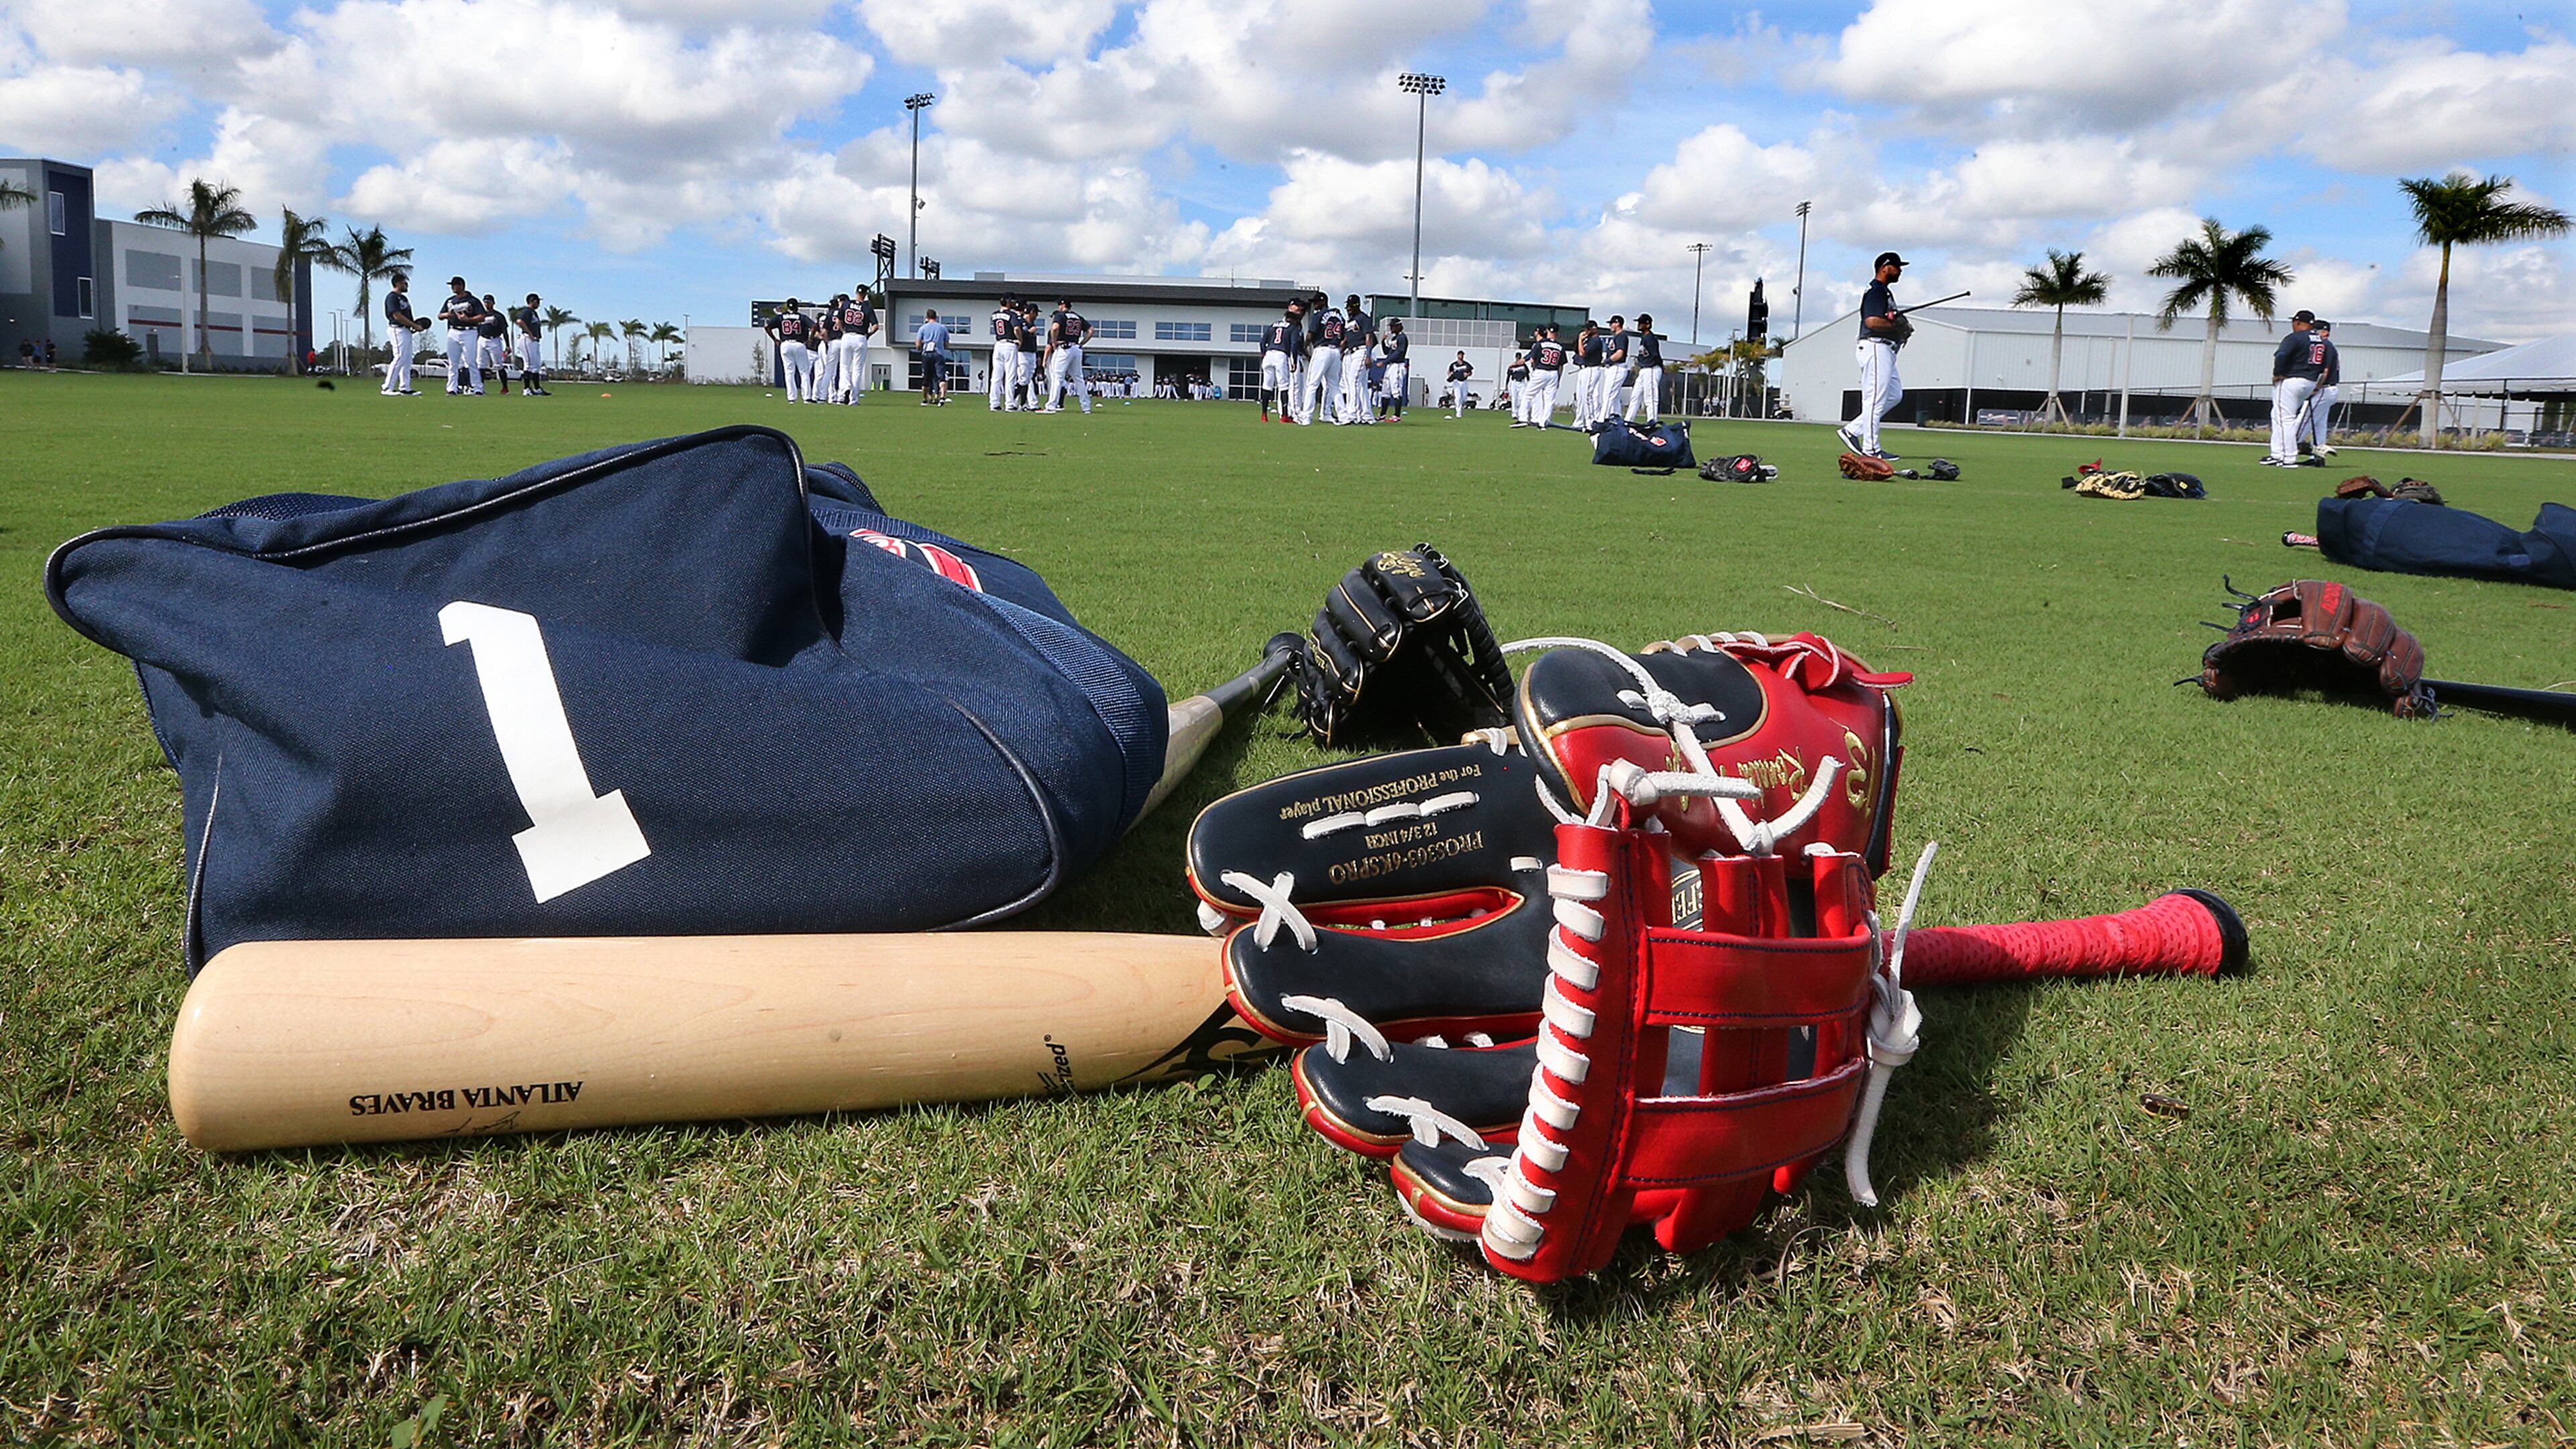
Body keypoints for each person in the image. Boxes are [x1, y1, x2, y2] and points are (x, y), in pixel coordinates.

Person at [1839, 252, 1909, 460]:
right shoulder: (1876, 291)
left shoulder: (1884, 292)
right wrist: (1896, 326)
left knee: (1894, 395)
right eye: (1897, 266)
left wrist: (1899, 327)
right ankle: (1871, 449)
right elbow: (1871, 321)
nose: (1900, 270)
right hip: (1875, 347)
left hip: (1885, 350)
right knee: (1874, 400)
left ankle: (1852, 430)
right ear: (1885, 267)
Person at [2263, 310, 2322, 466]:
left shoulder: (2294, 337)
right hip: (2310, 381)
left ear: (2297, 322)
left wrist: (2278, 374)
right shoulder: (2321, 341)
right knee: (2278, 416)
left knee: (2285, 419)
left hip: (2292, 380)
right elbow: (2324, 366)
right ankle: (2277, 454)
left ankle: (2288, 457)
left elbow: (2281, 355)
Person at [437, 278, 485, 396]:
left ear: (462, 285)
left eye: (455, 285)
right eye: (452, 285)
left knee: (471, 361)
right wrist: (446, 315)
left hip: (469, 331)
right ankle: (452, 388)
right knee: (453, 362)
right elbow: (439, 315)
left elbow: (482, 316)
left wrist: (468, 319)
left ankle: (477, 388)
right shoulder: (450, 301)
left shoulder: (473, 300)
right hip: (453, 331)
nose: (453, 287)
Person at [1300, 293, 1343, 425]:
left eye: (1317, 302)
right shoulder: (1339, 316)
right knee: (1335, 386)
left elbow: (1310, 335)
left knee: (1312, 384)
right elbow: (1343, 336)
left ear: (1324, 301)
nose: (1315, 304)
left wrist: (1305, 347)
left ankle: (1306, 417)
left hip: (1322, 349)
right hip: (1336, 351)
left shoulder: (1318, 315)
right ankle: (1344, 415)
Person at [1257, 301, 1302, 423]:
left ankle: (1264, 415)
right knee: (1283, 387)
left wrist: (1264, 353)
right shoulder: (1293, 328)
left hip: (1269, 355)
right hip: (1281, 356)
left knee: (1267, 386)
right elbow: (1294, 344)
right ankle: (1284, 415)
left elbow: (1262, 342)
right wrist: (1293, 361)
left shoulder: (1273, 325)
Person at [1043, 298, 1089, 414]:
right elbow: (1091, 330)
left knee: (1057, 377)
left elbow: (1055, 328)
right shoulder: (1078, 317)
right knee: (1079, 378)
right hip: (1076, 348)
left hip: (1064, 348)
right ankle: (1086, 407)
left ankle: (1051, 406)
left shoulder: (1060, 315)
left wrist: (1054, 342)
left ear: (1063, 304)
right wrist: (1082, 343)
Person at [2304, 319, 2341, 457]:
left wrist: (2315, 389)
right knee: (2319, 425)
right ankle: (2318, 456)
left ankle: (2290, 450)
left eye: (2316, 331)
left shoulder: (2324, 345)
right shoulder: (2329, 346)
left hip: (2324, 389)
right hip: (2330, 389)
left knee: (2306, 421)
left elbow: (2324, 371)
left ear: (2324, 332)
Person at [1516, 324, 1565, 427]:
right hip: (1553, 373)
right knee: (1549, 400)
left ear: (1547, 331)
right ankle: (1544, 422)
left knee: (1528, 395)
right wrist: (1559, 379)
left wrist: (1534, 366)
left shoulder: (1541, 343)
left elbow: (1533, 359)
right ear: (1558, 333)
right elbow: (1561, 365)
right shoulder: (1560, 346)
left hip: (1541, 371)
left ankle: (1523, 418)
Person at [767, 299, 814, 402]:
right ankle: (807, 397)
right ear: (797, 307)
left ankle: (792, 398)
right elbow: (814, 326)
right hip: (799, 344)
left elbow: (767, 326)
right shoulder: (802, 317)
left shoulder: (781, 317)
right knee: (804, 372)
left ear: (788, 307)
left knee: (789, 372)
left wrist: (775, 339)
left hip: (786, 344)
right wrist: (810, 339)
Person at [381, 272, 418, 396]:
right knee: (399, 357)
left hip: (406, 330)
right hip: (397, 329)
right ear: (397, 283)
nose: (407, 285)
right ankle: (387, 387)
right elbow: (396, 315)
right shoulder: (392, 297)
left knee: (407, 360)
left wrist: (414, 326)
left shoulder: (404, 298)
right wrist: (414, 325)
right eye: (404, 283)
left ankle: (405, 387)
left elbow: (408, 316)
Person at [1625, 313, 1663, 421]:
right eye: (1639, 323)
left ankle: (1652, 421)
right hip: (1644, 370)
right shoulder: (1644, 338)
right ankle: (1628, 421)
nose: (1639, 325)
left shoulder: (1651, 339)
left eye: (1641, 323)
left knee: (1650, 397)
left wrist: (1659, 367)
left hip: (1651, 369)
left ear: (1648, 325)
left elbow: (1656, 355)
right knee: (1635, 396)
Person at [512, 292, 549, 396]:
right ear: (533, 301)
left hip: (534, 341)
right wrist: (530, 333)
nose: (539, 304)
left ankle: (537, 389)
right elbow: (520, 321)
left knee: (536, 365)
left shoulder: (533, 313)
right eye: (537, 301)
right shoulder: (527, 311)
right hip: (527, 340)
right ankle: (526, 389)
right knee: (528, 365)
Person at [987, 294, 1020, 411]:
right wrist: (1020, 339)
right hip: (1009, 344)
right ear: (1008, 301)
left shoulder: (994, 314)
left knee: (996, 376)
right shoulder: (1012, 315)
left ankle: (994, 403)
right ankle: (1009, 404)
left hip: (998, 344)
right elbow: (1016, 328)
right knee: (1010, 376)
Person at [915, 307, 951, 405]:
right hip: (939, 354)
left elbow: (918, 344)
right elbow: (947, 344)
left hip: (927, 354)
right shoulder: (942, 328)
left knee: (926, 378)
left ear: (927, 317)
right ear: (936, 317)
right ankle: (942, 397)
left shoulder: (923, 328)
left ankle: (925, 399)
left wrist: (920, 347)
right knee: (941, 377)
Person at [1379, 318, 1411, 419]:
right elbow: (1387, 352)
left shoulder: (1402, 338)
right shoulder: (1394, 338)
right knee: (1385, 391)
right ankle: (1383, 415)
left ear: (1398, 326)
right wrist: (1383, 342)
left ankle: (1397, 415)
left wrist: (1385, 362)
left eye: (1393, 326)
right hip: (1390, 366)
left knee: (1396, 390)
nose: (1391, 328)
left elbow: (1399, 353)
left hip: (1397, 365)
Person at [811, 300, 843, 403]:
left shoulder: (826, 316)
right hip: (834, 342)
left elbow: (820, 331)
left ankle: (817, 395)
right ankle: (832, 397)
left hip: (825, 343)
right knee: (832, 372)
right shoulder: (840, 313)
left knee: (822, 372)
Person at [1601, 315, 1630, 423]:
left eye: (1612, 323)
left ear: (1617, 323)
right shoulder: (1617, 337)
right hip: (1613, 368)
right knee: (1614, 396)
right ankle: (1616, 418)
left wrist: (1606, 360)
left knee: (1608, 395)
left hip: (1617, 367)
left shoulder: (1621, 336)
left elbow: (1619, 354)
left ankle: (1602, 420)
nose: (1610, 326)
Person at [1446, 352, 1474, 417]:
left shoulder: (1466, 365)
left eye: (1462, 355)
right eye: (1460, 355)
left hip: (1464, 382)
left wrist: (1467, 374)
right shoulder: (1454, 365)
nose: (1461, 356)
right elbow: (1449, 371)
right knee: (1458, 397)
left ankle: (1461, 406)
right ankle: (1459, 413)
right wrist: (1450, 375)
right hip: (1456, 381)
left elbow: (1471, 372)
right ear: (1458, 356)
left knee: (1464, 397)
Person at [1503, 350, 1529, 419]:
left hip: (1522, 382)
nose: (1518, 359)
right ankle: (1514, 413)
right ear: (1515, 358)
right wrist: (1506, 386)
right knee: (1514, 398)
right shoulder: (1512, 366)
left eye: (1519, 357)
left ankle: (1521, 413)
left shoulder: (1524, 366)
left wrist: (1529, 384)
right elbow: (1508, 376)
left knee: (1521, 398)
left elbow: (1527, 375)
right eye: (1517, 357)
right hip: (1514, 382)